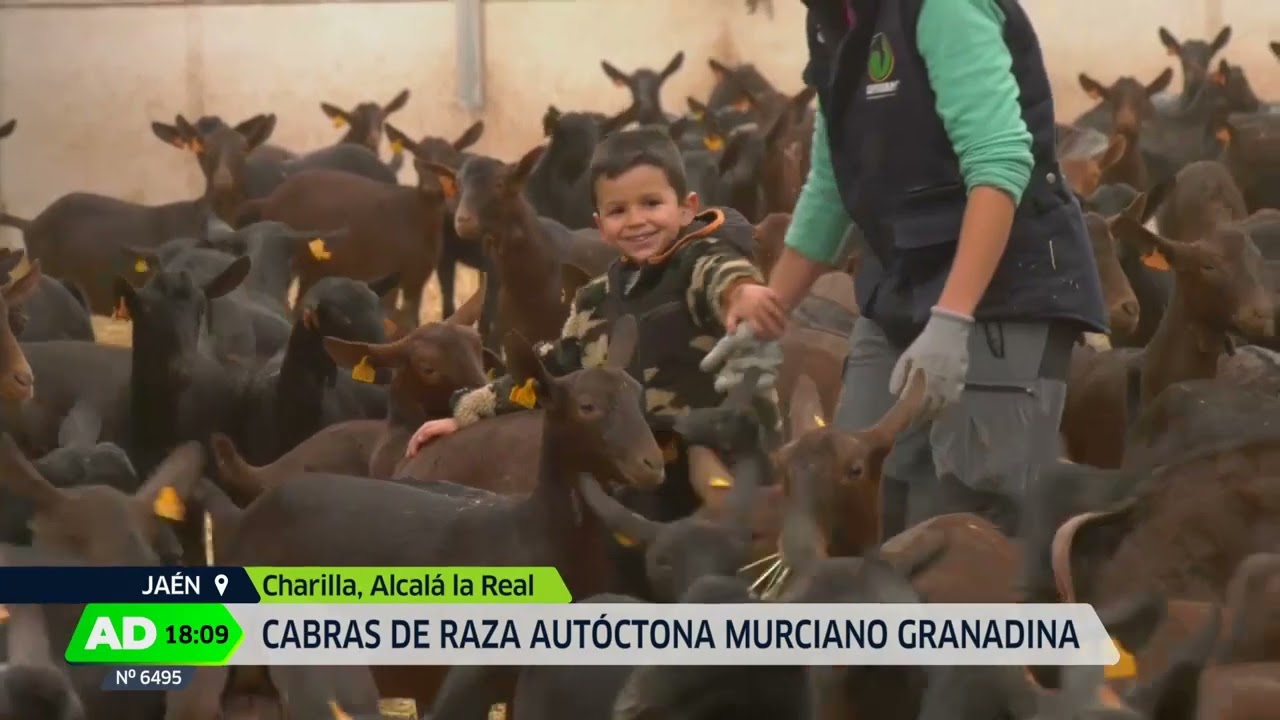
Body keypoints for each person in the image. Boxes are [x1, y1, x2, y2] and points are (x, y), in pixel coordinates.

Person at [726, 0, 1108, 537]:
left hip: (1003, 295)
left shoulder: (942, 9)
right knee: (854, 497)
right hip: (898, 293)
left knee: (960, 522)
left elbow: (999, 164)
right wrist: (770, 312)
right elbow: (831, 186)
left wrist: (953, 319)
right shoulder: (834, 20)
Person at [405, 126, 783, 521]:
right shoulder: (594, 300)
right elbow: (555, 373)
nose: (636, 221)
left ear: (686, 208)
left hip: (722, 459)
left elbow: (720, 274)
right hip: (637, 467)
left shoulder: (697, 263)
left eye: (652, 203)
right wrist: (466, 415)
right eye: (618, 211)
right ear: (600, 225)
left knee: (734, 537)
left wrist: (742, 291)